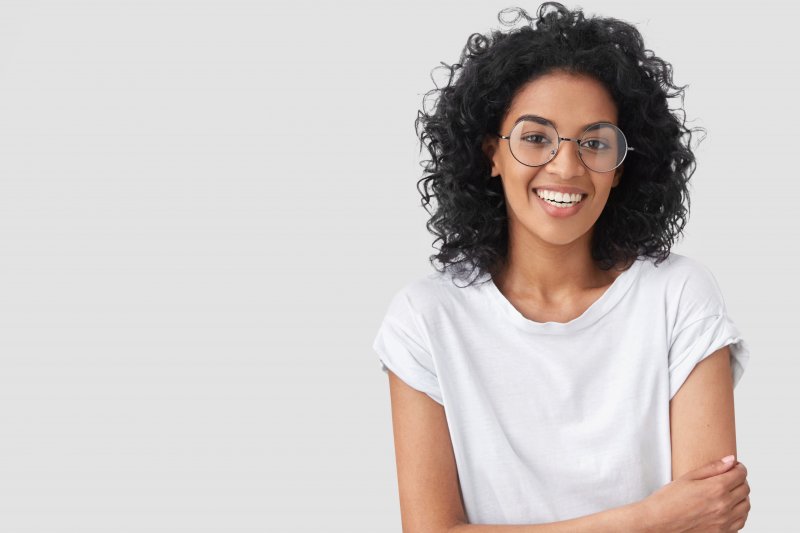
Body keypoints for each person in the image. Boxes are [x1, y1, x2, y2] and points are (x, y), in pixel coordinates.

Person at [373, 2, 751, 531]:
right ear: (492, 153)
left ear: (621, 169)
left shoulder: (678, 295)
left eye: (595, 142)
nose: (567, 166)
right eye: (535, 138)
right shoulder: (427, 319)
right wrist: (648, 519)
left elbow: (708, 520)